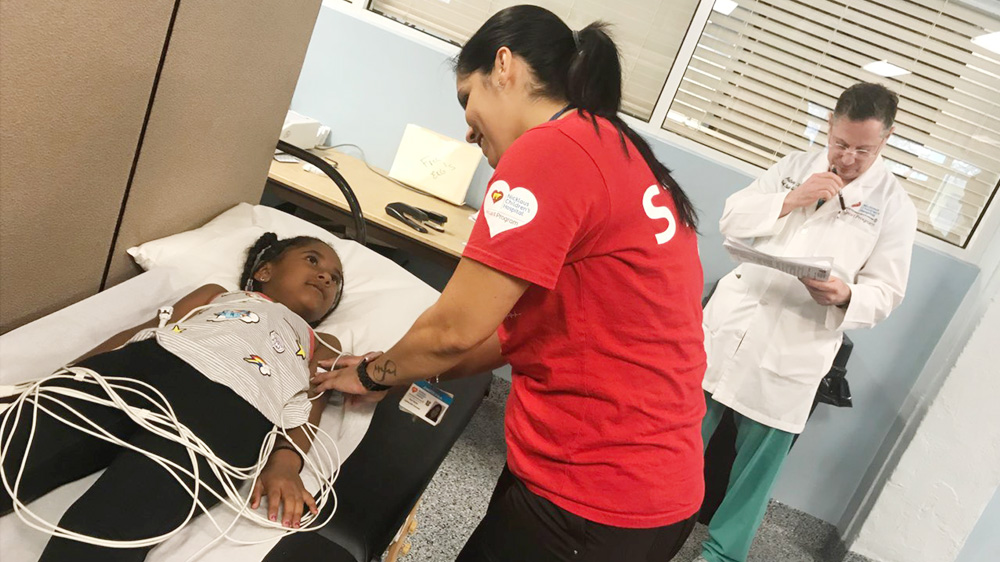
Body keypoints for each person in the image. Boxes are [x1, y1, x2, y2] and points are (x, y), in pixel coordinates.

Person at [311, 5, 706, 561]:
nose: (467, 129)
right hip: (656, 490)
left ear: (504, 66)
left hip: (588, 495)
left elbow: (453, 328)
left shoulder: (551, 149)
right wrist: (409, 367)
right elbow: (525, 329)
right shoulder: (615, 148)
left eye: (466, 98)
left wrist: (374, 374)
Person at [0, 232, 346, 562]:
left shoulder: (323, 342)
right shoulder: (217, 294)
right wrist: (63, 375)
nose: (325, 278)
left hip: (230, 413)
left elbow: (310, 402)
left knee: (112, 524)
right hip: (149, 365)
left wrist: (286, 463)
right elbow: (142, 332)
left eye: (335, 279)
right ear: (264, 271)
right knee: (20, 444)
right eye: (312, 260)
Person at [694, 82, 917, 562]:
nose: (849, 157)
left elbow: (888, 290)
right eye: (840, 143)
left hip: (794, 350)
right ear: (830, 126)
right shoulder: (795, 166)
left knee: (754, 474)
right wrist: (792, 198)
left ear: (887, 138)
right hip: (731, 328)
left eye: (864, 148)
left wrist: (846, 295)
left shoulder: (895, 206)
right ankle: (648, 527)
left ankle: (721, 554)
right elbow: (733, 218)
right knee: (677, 445)